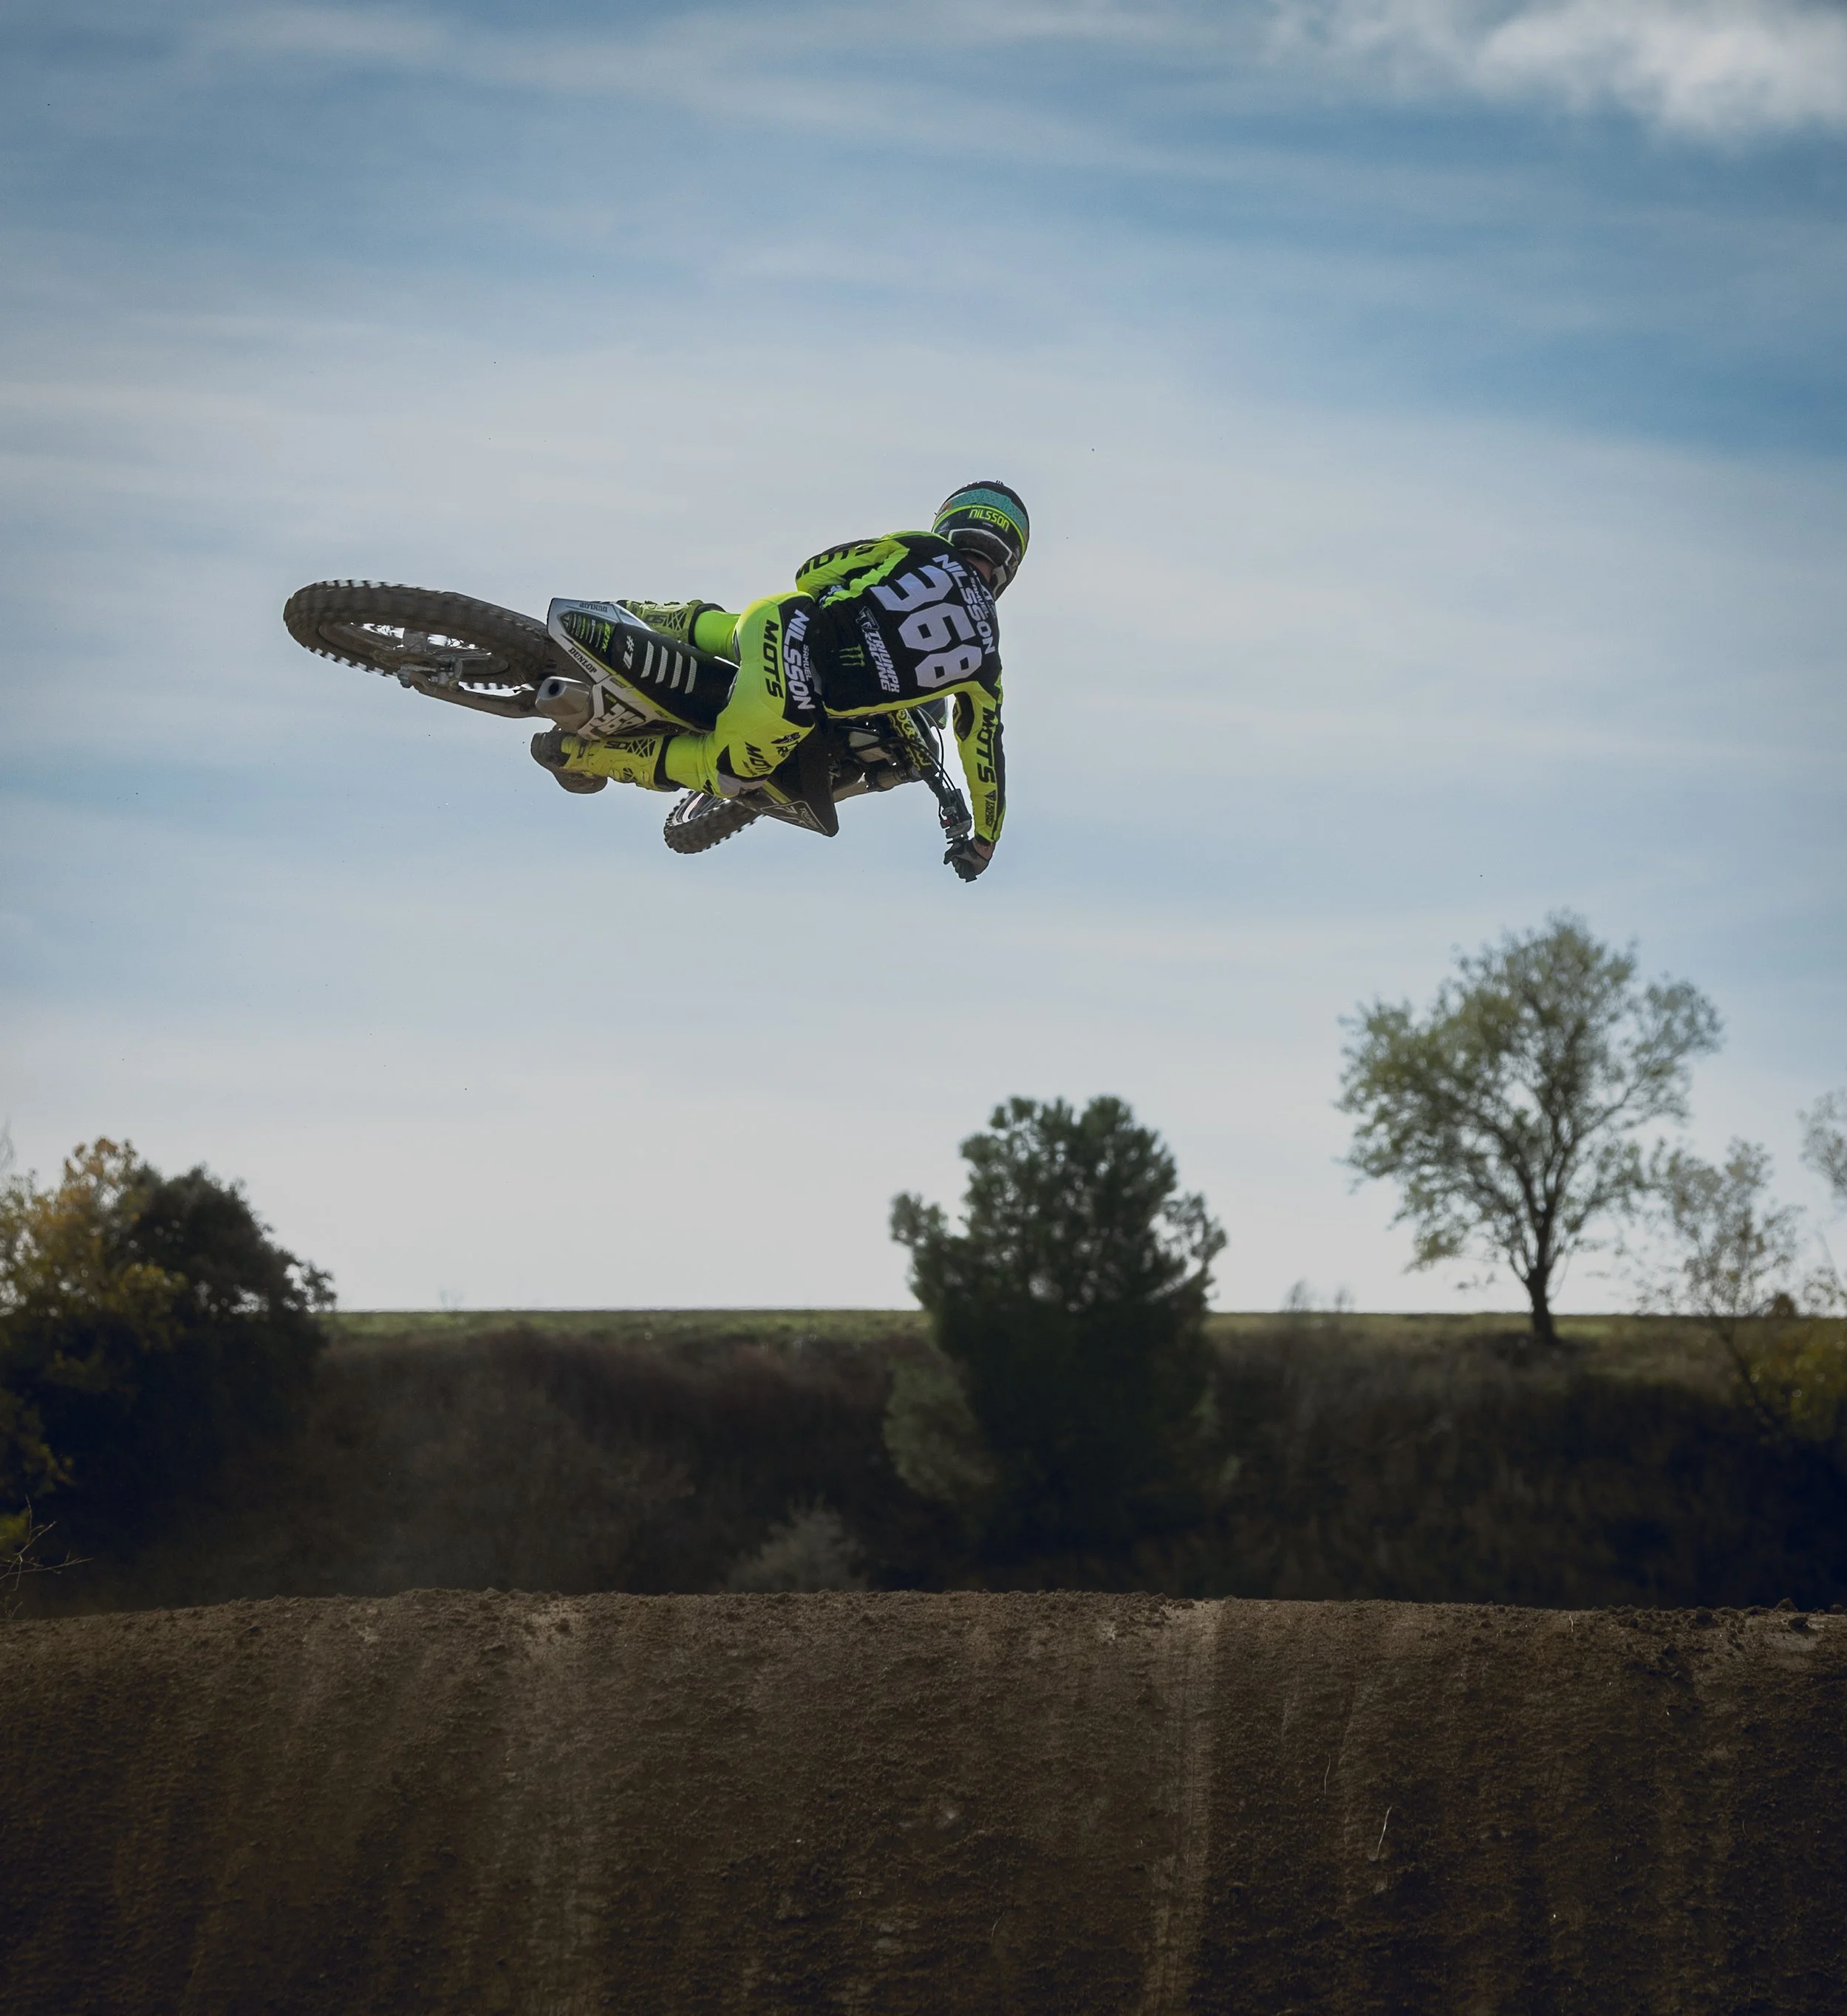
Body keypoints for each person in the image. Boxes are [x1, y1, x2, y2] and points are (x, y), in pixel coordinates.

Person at [530, 481, 1028, 881]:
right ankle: (582, 756)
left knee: (729, 625)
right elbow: (982, 755)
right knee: (727, 773)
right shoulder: (985, 664)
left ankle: (625, 616)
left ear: (949, 521)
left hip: (778, 621)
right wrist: (984, 840)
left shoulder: (916, 548)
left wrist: (849, 603)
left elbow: (811, 574)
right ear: (1008, 565)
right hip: (789, 704)